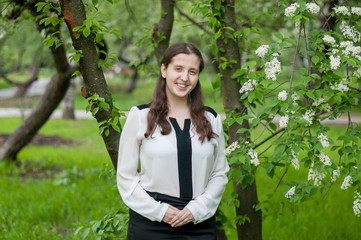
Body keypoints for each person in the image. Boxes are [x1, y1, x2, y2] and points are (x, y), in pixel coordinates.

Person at [117, 42, 229, 240]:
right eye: (178, 69)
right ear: (164, 70)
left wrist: (198, 209)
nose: (185, 78)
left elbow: (219, 173)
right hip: (150, 222)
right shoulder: (141, 116)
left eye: (192, 71)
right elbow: (126, 178)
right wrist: (160, 211)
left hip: (199, 223)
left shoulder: (211, 119)